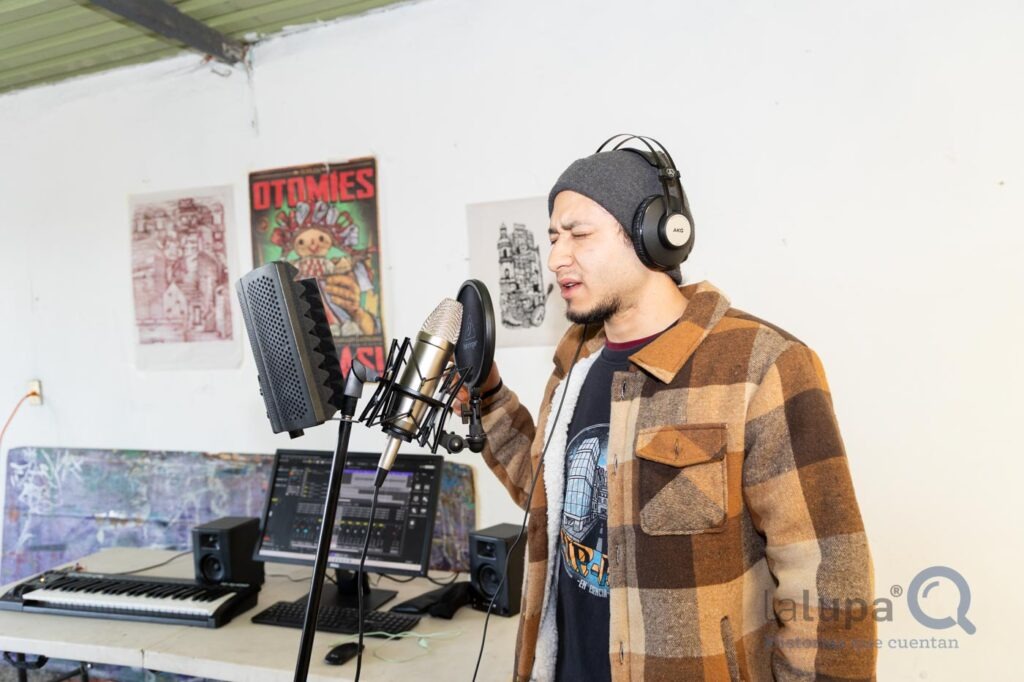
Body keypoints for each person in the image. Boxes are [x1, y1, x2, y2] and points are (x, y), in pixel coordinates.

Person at [473, 136, 876, 681]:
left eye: (579, 234)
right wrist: (490, 395)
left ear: (654, 234)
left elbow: (828, 575)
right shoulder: (576, 364)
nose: (555, 258)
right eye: (552, 237)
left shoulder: (761, 365)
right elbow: (551, 499)